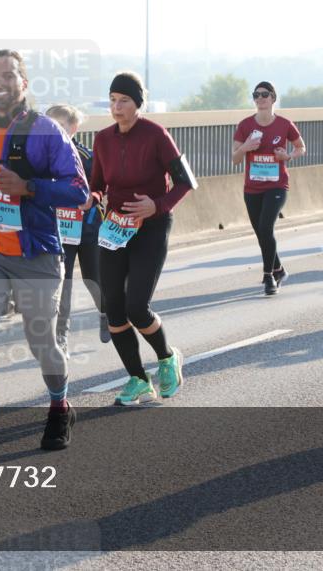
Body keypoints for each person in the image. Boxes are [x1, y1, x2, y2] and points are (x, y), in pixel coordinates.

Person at [0, 49, 88, 465]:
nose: (0, 81)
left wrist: (28, 187)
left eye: (9, 75)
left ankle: (60, 405)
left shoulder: (47, 132)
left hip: (36, 253)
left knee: (42, 343)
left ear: (23, 83)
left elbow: (77, 191)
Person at [90, 71, 194, 406]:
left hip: (151, 226)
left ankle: (167, 358)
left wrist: (157, 205)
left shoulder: (156, 135)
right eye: (112, 101)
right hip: (115, 228)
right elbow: (97, 183)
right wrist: (90, 199)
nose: (116, 108)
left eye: (124, 101)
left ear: (138, 104)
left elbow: (186, 181)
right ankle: (137, 379)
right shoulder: (103, 138)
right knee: (114, 309)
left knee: (137, 305)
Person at [231, 81, 306, 295]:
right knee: (261, 233)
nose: (260, 98)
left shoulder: (284, 124)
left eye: (265, 94)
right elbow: (235, 158)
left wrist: (288, 156)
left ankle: (268, 277)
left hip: (277, 185)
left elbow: (301, 147)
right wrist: (246, 147)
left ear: (273, 98)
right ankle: (279, 269)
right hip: (252, 187)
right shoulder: (245, 125)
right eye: (256, 95)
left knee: (266, 228)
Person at [45, 104, 108, 347]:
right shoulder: (42, 158)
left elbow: (101, 187)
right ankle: (61, 337)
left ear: (73, 128)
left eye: (59, 126)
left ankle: (106, 313)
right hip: (60, 230)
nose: (52, 131)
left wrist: (91, 199)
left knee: (94, 278)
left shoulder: (87, 157)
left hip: (88, 228)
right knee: (63, 282)